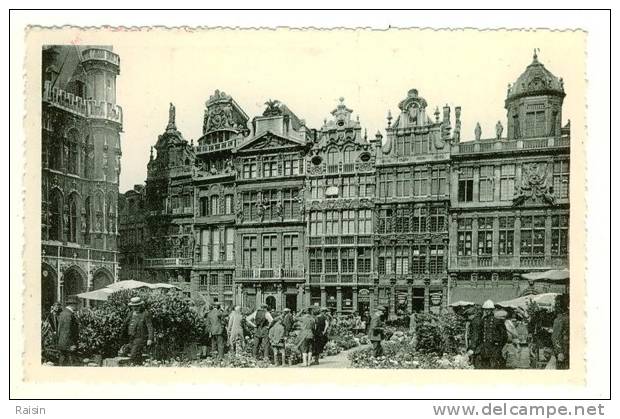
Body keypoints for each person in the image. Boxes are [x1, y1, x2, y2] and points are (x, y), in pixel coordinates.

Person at [467, 300, 508, 369]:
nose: (487, 311)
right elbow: (479, 335)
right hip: (484, 348)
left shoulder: (498, 321)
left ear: (492, 310)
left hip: (494, 348)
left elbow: (504, 335)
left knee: (494, 367)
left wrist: (499, 347)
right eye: (486, 310)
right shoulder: (483, 320)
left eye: (489, 310)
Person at [122, 296, 154, 366]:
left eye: (137, 306)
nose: (135, 308)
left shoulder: (145, 314)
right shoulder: (130, 314)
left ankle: (132, 366)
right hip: (131, 338)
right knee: (126, 352)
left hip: (140, 338)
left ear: (140, 305)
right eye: (134, 306)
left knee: (133, 355)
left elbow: (150, 327)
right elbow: (125, 325)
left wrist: (150, 339)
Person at [56, 297, 80, 366]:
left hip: (63, 344)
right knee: (69, 365)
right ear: (73, 305)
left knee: (63, 364)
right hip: (68, 346)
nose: (78, 306)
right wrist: (70, 345)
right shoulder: (68, 315)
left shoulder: (63, 313)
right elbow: (66, 331)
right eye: (77, 305)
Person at [551, 294, 570, 369]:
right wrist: (559, 352)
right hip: (564, 351)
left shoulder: (560, 318)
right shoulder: (561, 318)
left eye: (556, 305)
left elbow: (555, 337)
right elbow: (555, 337)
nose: (555, 307)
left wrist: (559, 352)